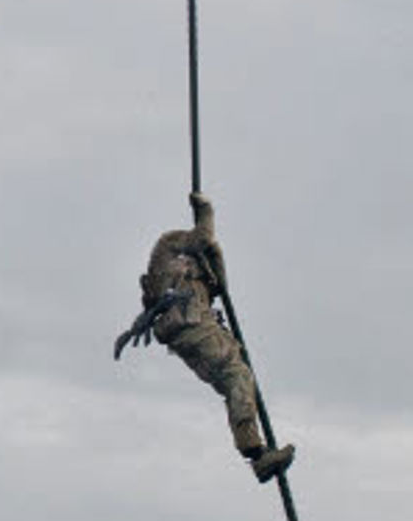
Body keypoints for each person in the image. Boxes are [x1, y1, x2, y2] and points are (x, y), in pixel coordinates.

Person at [113, 190, 293, 482]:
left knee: (234, 380)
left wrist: (214, 255)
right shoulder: (169, 245)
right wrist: (207, 213)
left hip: (192, 330)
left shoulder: (201, 271)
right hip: (191, 327)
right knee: (236, 374)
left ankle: (254, 449)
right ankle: (256, 454)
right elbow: (201, 239)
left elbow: (220, 285)